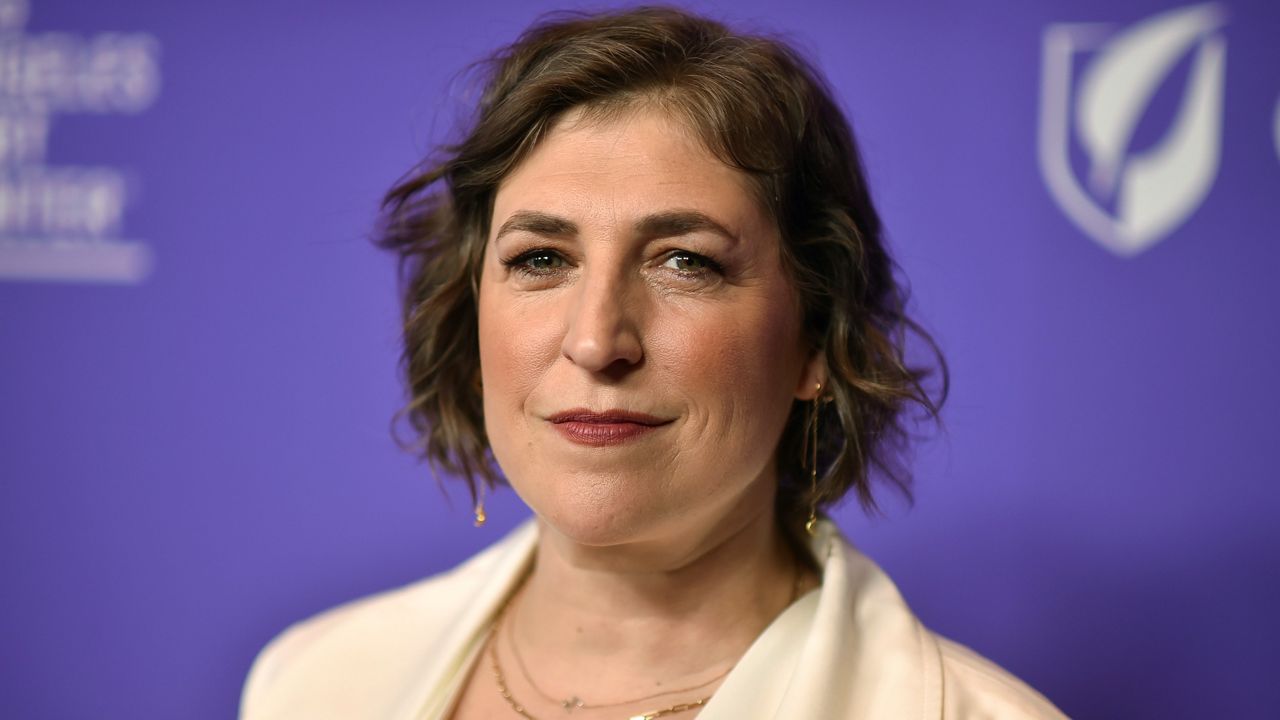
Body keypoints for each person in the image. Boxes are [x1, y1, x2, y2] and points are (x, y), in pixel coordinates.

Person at [241, 7, 1066, 719]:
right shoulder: (313, 683)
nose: (598, 341)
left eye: (685, 262)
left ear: (817, 339)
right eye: (540, 259)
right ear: (467, 311)